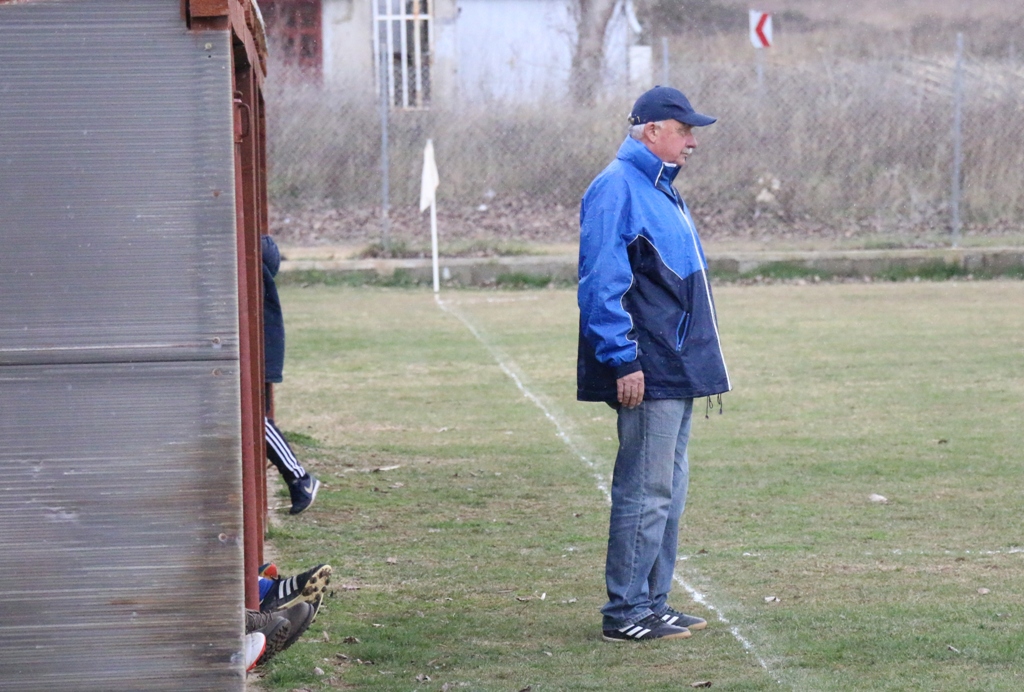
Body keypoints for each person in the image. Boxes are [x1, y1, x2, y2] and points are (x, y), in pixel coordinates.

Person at [576, 86, 732, 642]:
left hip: (677, 367)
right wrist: (623, 361)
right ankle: (625, 613)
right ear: (652, 132)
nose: (692, 141)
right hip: (650, 369)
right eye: (684, 130)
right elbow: (601, 285)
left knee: (669, 489)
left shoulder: (660, 189)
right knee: (645, 490)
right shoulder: (617, 187)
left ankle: (652, 603)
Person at [262, 234, 321, 514]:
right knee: (253, 419)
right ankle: (299, 478)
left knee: (253, 419)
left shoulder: (256, 262)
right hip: (261, 353)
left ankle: (300, 478)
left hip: (260, 354)